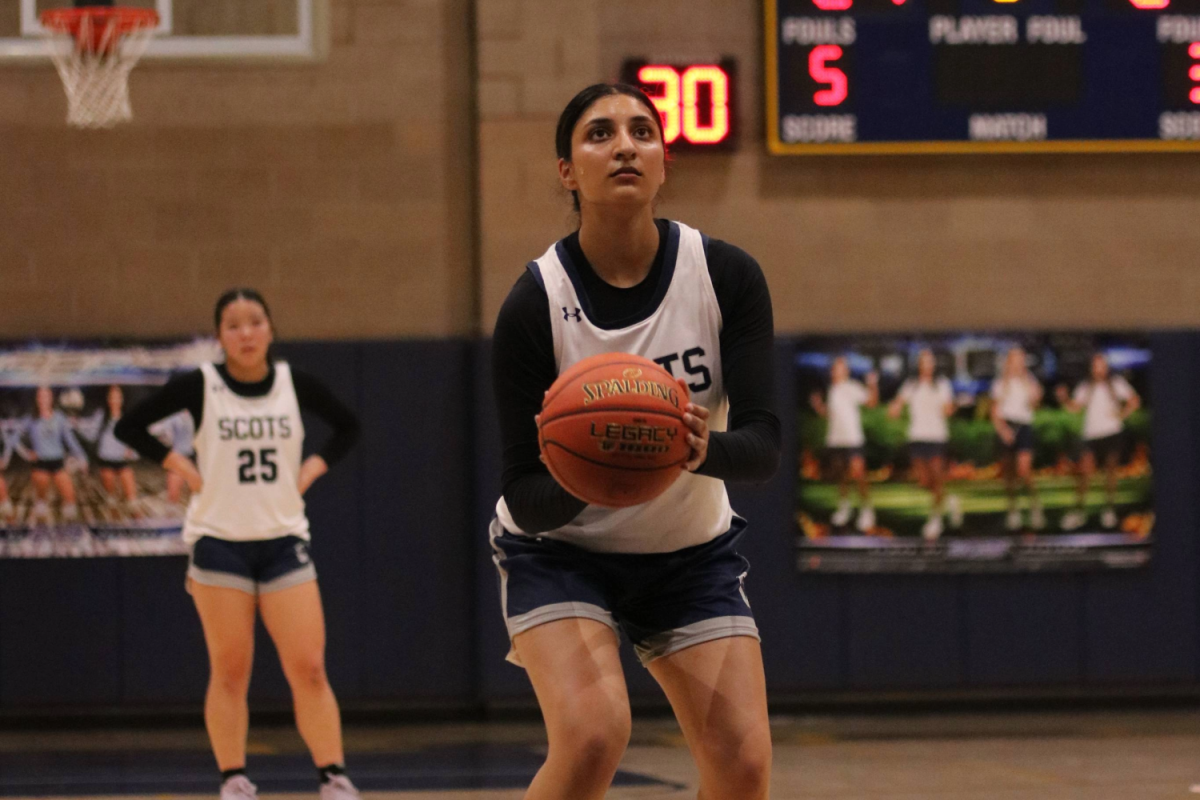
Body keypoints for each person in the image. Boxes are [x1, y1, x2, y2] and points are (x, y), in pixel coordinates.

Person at [490, 83, 780, 800]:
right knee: (593, 735)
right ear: (567, 171)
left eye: (643, 131)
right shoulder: (535, 304)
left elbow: (765, 444)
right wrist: (597, 471)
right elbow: (525, 497)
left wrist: (693, 450)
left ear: (663, 160)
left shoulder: (725, 276)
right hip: (561, 552)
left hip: (688, 555)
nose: (625, 144)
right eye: (599, 134)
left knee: (743, 765)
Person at [115, 289, 362, 800]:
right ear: (219, 336)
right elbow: (129, 425)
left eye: (255, 322)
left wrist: (312, 468)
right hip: (219, 543)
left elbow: (348, 427)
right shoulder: (202, 385)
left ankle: (333, 776)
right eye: (233, 325)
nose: (245, 333)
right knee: (230, 669)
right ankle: (233, 778)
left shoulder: (295, 385)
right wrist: (179, 464)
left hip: (283, 540)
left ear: (270, 329)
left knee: (310, 666)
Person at [1056, 353, 1141, 531]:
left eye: (1101, 365)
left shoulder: (1116, 383)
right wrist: (1064, 399)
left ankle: (1108, 509)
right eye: (1095, 366)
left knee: (1110, 472)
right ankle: (1078, 511)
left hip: (1112, 433)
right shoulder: (1085, 386)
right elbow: (1075, 408)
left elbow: (1134, 400)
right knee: (1085, 472)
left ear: (1106, 367)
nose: (1098, 369)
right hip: (1091, 435)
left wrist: (1122, 415)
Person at [888, 349, 961, 540]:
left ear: (934, 364)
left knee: (937, 478)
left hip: (937, 437)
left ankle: (935, 520)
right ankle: (950, 501)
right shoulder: (911, 385)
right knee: (924, 481)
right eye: (924, 362)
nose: (927, 365)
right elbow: (898, 403)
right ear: (919, 364)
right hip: (916, 437)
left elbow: (948, 408)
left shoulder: (942, 384)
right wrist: (894, 409)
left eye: (930, 362)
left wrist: (951, 408)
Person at [809, 356, 878, 532]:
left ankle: (866, 510)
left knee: (858, 474)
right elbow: (830, 414)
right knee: (842, 477)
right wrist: (818, 407)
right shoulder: (832, 389)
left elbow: (871, 402)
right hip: (835, 440)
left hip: (853, 439)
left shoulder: (852, 387)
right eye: (835, 368)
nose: (837, 371)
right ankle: (844, 508)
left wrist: (872, 384)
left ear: (846, 371)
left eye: (841, 368)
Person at [990, 347, 1044, 531]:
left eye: (1020, 360)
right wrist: (1003, 430)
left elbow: (1035, 402)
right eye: (1014, 360)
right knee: (1009, 474)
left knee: (1024, 470)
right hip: (1007, 426)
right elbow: (994, 412)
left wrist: (1028, 384)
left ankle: (1035, 507)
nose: (1017, 364)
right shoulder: (1000, 384)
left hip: (1024, 427)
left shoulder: (1029, 381)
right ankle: (1013, 511)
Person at [25, 385, 87, 525]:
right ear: (37, 399)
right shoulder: (31, 419)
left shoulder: (59, 418)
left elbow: (71, 440)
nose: (43, 399)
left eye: (46, 395)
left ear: (51, 397)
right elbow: (14, 438)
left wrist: (82, 458)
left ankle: (68, 530)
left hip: (58, 461)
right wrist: (27, 453)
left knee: (70, 501)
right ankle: (41, 522)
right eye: (40, 396)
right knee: (41, 504)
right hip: (40, 463)